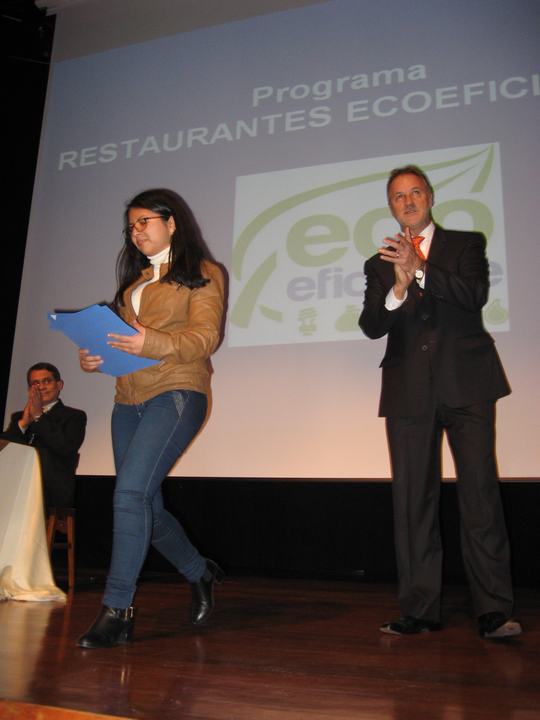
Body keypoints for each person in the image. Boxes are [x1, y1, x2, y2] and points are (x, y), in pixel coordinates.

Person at [358, 165, 521, 639]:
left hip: (467, 383)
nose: (407, 201)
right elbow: (372, 325)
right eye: (398, 196)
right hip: (408, 390)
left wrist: (421, 268)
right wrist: (398, 287)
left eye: (415, 193)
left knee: (480, 497)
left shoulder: (466, 244)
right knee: (413, 502)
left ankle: (493, 610)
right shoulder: (378, 264)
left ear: (429, 197)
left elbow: (474, 296)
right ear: (391, 206)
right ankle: (420, 609)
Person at [77, 188, 225, 649]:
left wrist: (149, 343)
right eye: (131, 226)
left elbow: (204, 339)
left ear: (171, 222)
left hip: (177, 391)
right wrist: (98, 356)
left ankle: (117, 610)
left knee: (128, 496)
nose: (136, 232)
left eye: (145, 222)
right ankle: (199, 571)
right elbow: (126, 346)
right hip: (128, 400)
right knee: (147, 507)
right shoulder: (133, 286)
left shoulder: (203, 273)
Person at [2, 362, 86, 509]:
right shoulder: (19, 417)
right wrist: (23, 424)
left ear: (59, 385)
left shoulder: (74, 416)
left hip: (51, 491)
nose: (41, 387)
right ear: (29, 390)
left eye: (47, 381)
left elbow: (65, 447)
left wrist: (39, 416)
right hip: (17, 487)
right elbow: (5, 449)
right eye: (35, 383)